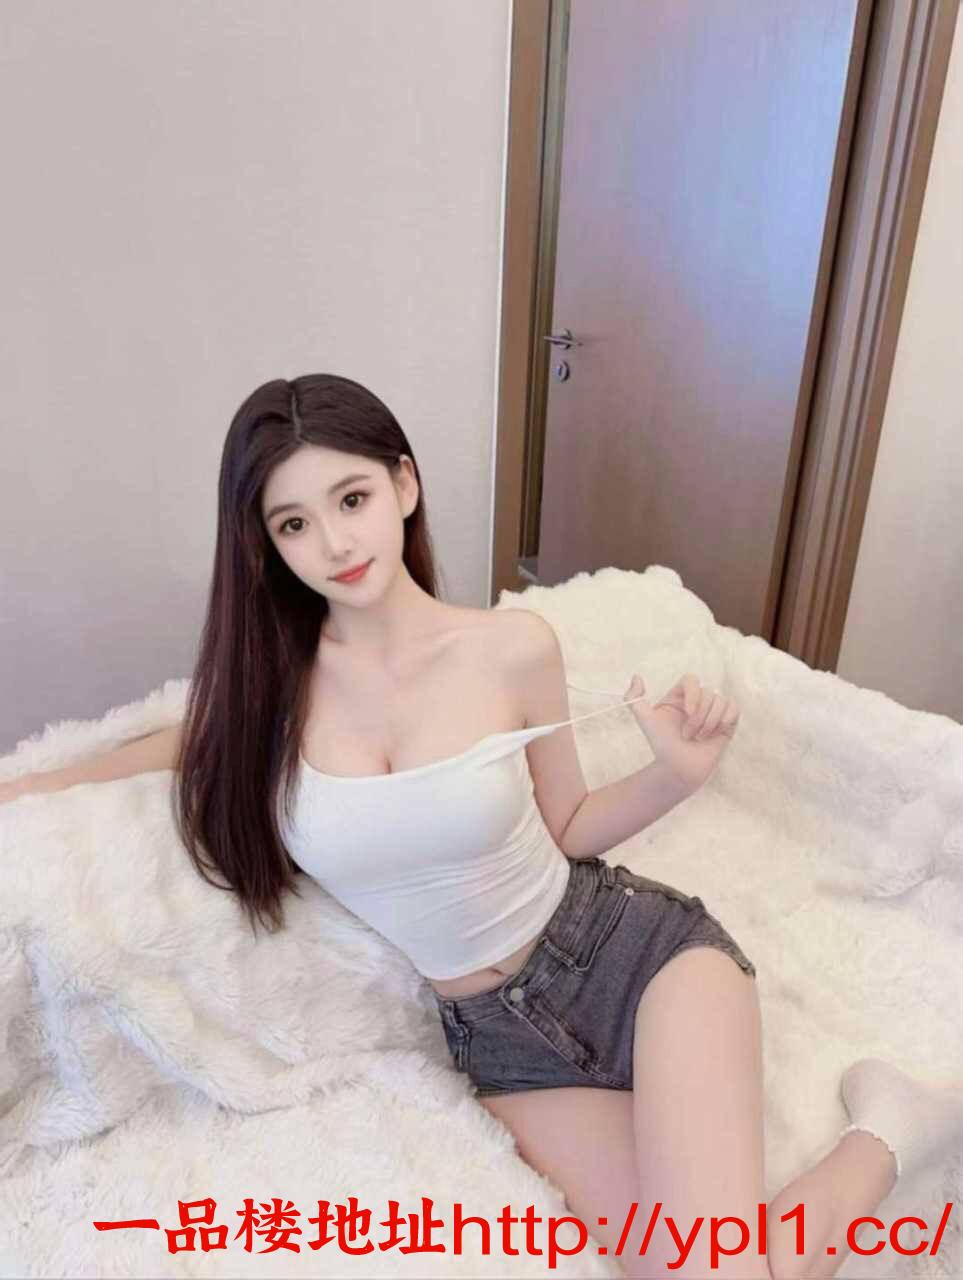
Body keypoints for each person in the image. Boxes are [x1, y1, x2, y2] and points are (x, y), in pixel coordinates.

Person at [4, 372, 961, 1280]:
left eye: (351, 498)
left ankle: (888, 1130)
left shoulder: (510, 649)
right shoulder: (267, 696)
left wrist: (674, 776)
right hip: (501, 1042)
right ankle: (889, 1126)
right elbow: (167, 744)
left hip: (635, 961)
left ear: (403, 485)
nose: (334, 542)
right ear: (267, 545)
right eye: (293, 523)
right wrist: (30, 784)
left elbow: (569, 825)